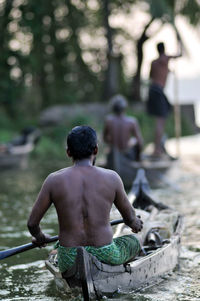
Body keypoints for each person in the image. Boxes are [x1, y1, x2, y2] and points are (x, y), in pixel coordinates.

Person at [27, 126, 143, 274]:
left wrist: (39, 237)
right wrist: (136, 224)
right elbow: (129, 218)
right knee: (135, 241)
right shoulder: (112, 178)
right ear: (96, 150)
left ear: (68, 152)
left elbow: (32, 223)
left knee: (58, 246)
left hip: (70, 257)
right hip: (105, 252)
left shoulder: (53, 180)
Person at [146, 39, 182, 157]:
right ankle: (157, 149)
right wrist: (179, 40)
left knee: (163, 116)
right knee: (160, 121)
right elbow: (179, 54)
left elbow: (152, 76)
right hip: (158, 91)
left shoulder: (154, 62)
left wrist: (167, 70)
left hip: (153, 90)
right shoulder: (164, 58)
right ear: (164, 50)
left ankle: (159, 145)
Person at [103, 94, 143, 161]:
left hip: (114, 153)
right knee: (134, 140)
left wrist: (111, 141)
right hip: (127, 153)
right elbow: (140, 142)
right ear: (124, 108)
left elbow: (104, 139)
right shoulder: (132, 121)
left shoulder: (108, 120)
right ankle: (138, 160)